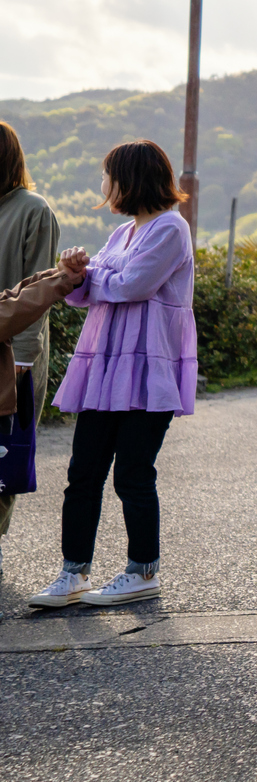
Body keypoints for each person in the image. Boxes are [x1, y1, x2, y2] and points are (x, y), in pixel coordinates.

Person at [28, 140, 199, 609]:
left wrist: (89, 278)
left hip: (149, 367)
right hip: (106, 366)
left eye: (108, 175)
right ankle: (73, 573)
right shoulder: (124, 233)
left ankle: (142, 571)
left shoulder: (170, 229)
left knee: (133, 474)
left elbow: (133, 285)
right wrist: (76, 273)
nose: (103, 185)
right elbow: (86, 293)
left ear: (129, 178)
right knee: (83, 472)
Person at [0, 121, 62, 577]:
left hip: (14, 356)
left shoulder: (32, 210)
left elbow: (39, 289)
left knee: (3, 458)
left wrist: (23, 358)